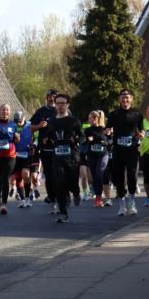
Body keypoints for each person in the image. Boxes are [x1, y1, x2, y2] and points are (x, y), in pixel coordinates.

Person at [39, 94, 82, 223]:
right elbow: (47, 137)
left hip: (72, 157)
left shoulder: (74, 121)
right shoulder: (52, 121)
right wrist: (46, 140)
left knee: (72, 182)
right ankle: (63, 213)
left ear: (68, 104)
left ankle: (76, 192)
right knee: (59, 184)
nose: (60, 105)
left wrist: (77, 140)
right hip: (57, 157)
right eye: (58, 103)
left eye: (63, 103)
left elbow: (82, 137)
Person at [106, 89, 144, 216]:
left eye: (127, 97)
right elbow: (107, 128)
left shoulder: (137, 114)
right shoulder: (114, 114)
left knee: (132, 176)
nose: (125, 100)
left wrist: (141, 135)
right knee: (119, 178)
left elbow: (142, 129)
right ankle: (122, 205)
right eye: (123, 97)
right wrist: (107, 132)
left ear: (131, 98)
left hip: (132, 150)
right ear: (119, 99)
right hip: (118, 150)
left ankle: (132, 203)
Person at [30, 89, 58, 208]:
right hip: (45, 148)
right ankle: (52, 197)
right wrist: (39, 126)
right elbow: (30, 127)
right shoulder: (41, 111)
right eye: (50, 96)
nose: (52, 99)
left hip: (59, 148)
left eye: (54, 97)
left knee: (59, 174)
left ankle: (60, 195)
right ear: (47, 98)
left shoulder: (62, 111)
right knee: (49, 175)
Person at [82, 110, 111, 208]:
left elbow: (109, 141)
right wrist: (87, 140)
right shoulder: (87, 130)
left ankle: (100, 198)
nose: (92, 119)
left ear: (98, 119)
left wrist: (102, 141)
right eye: (90, 118)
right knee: (94, 177)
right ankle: (98, 198)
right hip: (92, 155)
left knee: (99, 174)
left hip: (103, 155)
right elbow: (83, 142)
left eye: (94, 117)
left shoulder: (103, 129)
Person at [13, 111, 35, 208]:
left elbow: (38, 136)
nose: (18, 123)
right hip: (15, 155)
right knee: (18, 177)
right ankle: (22, 200)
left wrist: (34, 145)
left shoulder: (30, 125)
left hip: (27, 154)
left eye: (19, 121)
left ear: (24, 118)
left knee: (25, 174)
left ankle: (27, 198)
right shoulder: (13, 126)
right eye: (16, 121)